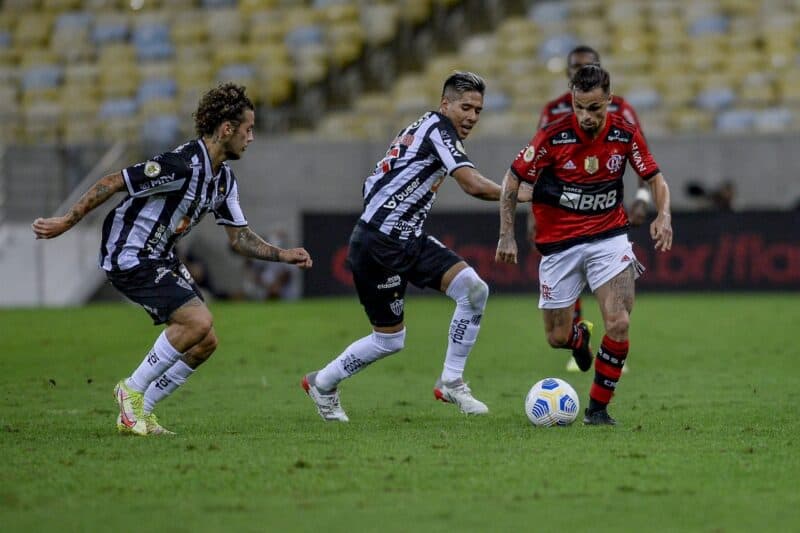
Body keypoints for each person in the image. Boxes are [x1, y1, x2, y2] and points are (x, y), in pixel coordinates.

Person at [32, 83, 313, 436]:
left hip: (161, 256)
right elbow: (114, 180)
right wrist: (67, 221)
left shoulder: (223, 180)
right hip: (129, 253)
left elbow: (238, 238)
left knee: (206, 341)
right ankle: (130, 390)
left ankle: (140, 412)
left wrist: (283, 255)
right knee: (197, 321)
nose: (251, 137)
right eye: (248, 129)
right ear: (227, 129)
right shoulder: (181, 165)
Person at [301, 71, 532, 422]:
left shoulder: (426, 128)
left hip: (407, 238)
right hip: (377, 244)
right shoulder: (439, 129)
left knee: (473, 290)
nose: (471, 117)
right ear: (445, 104)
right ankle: (324, 383)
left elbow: (373, 180)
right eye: (465, 107)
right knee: (389, 340)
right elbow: (470, 184)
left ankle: (451, 381)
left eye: (478, 111)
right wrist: (519, 194)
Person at [495, 65, 673, 425]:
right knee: (556, 338)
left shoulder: (624, 132)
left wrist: (664, 214)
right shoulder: (552, 136)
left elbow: (654, 177)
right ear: (571, 99)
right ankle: (578, 339)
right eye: (579, 107)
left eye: (594, 107)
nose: (586, 116)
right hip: (560, 246)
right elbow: (513, 179)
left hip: (609, 238)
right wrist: (507, 233)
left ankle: (597, 410)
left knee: (619, 322)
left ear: (609, 99)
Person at [537, 45, 652, 371]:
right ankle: (577, 335)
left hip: (602, 214)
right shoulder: (552, 111)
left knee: (615, 292)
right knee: (568, 281)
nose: (579, 72)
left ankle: (612, 342)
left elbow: (641, 155)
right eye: (575, 68)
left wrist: (642, 198)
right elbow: (536, 164)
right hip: (561, 216)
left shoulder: (622, 111)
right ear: (568, 74)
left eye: (587, 67)